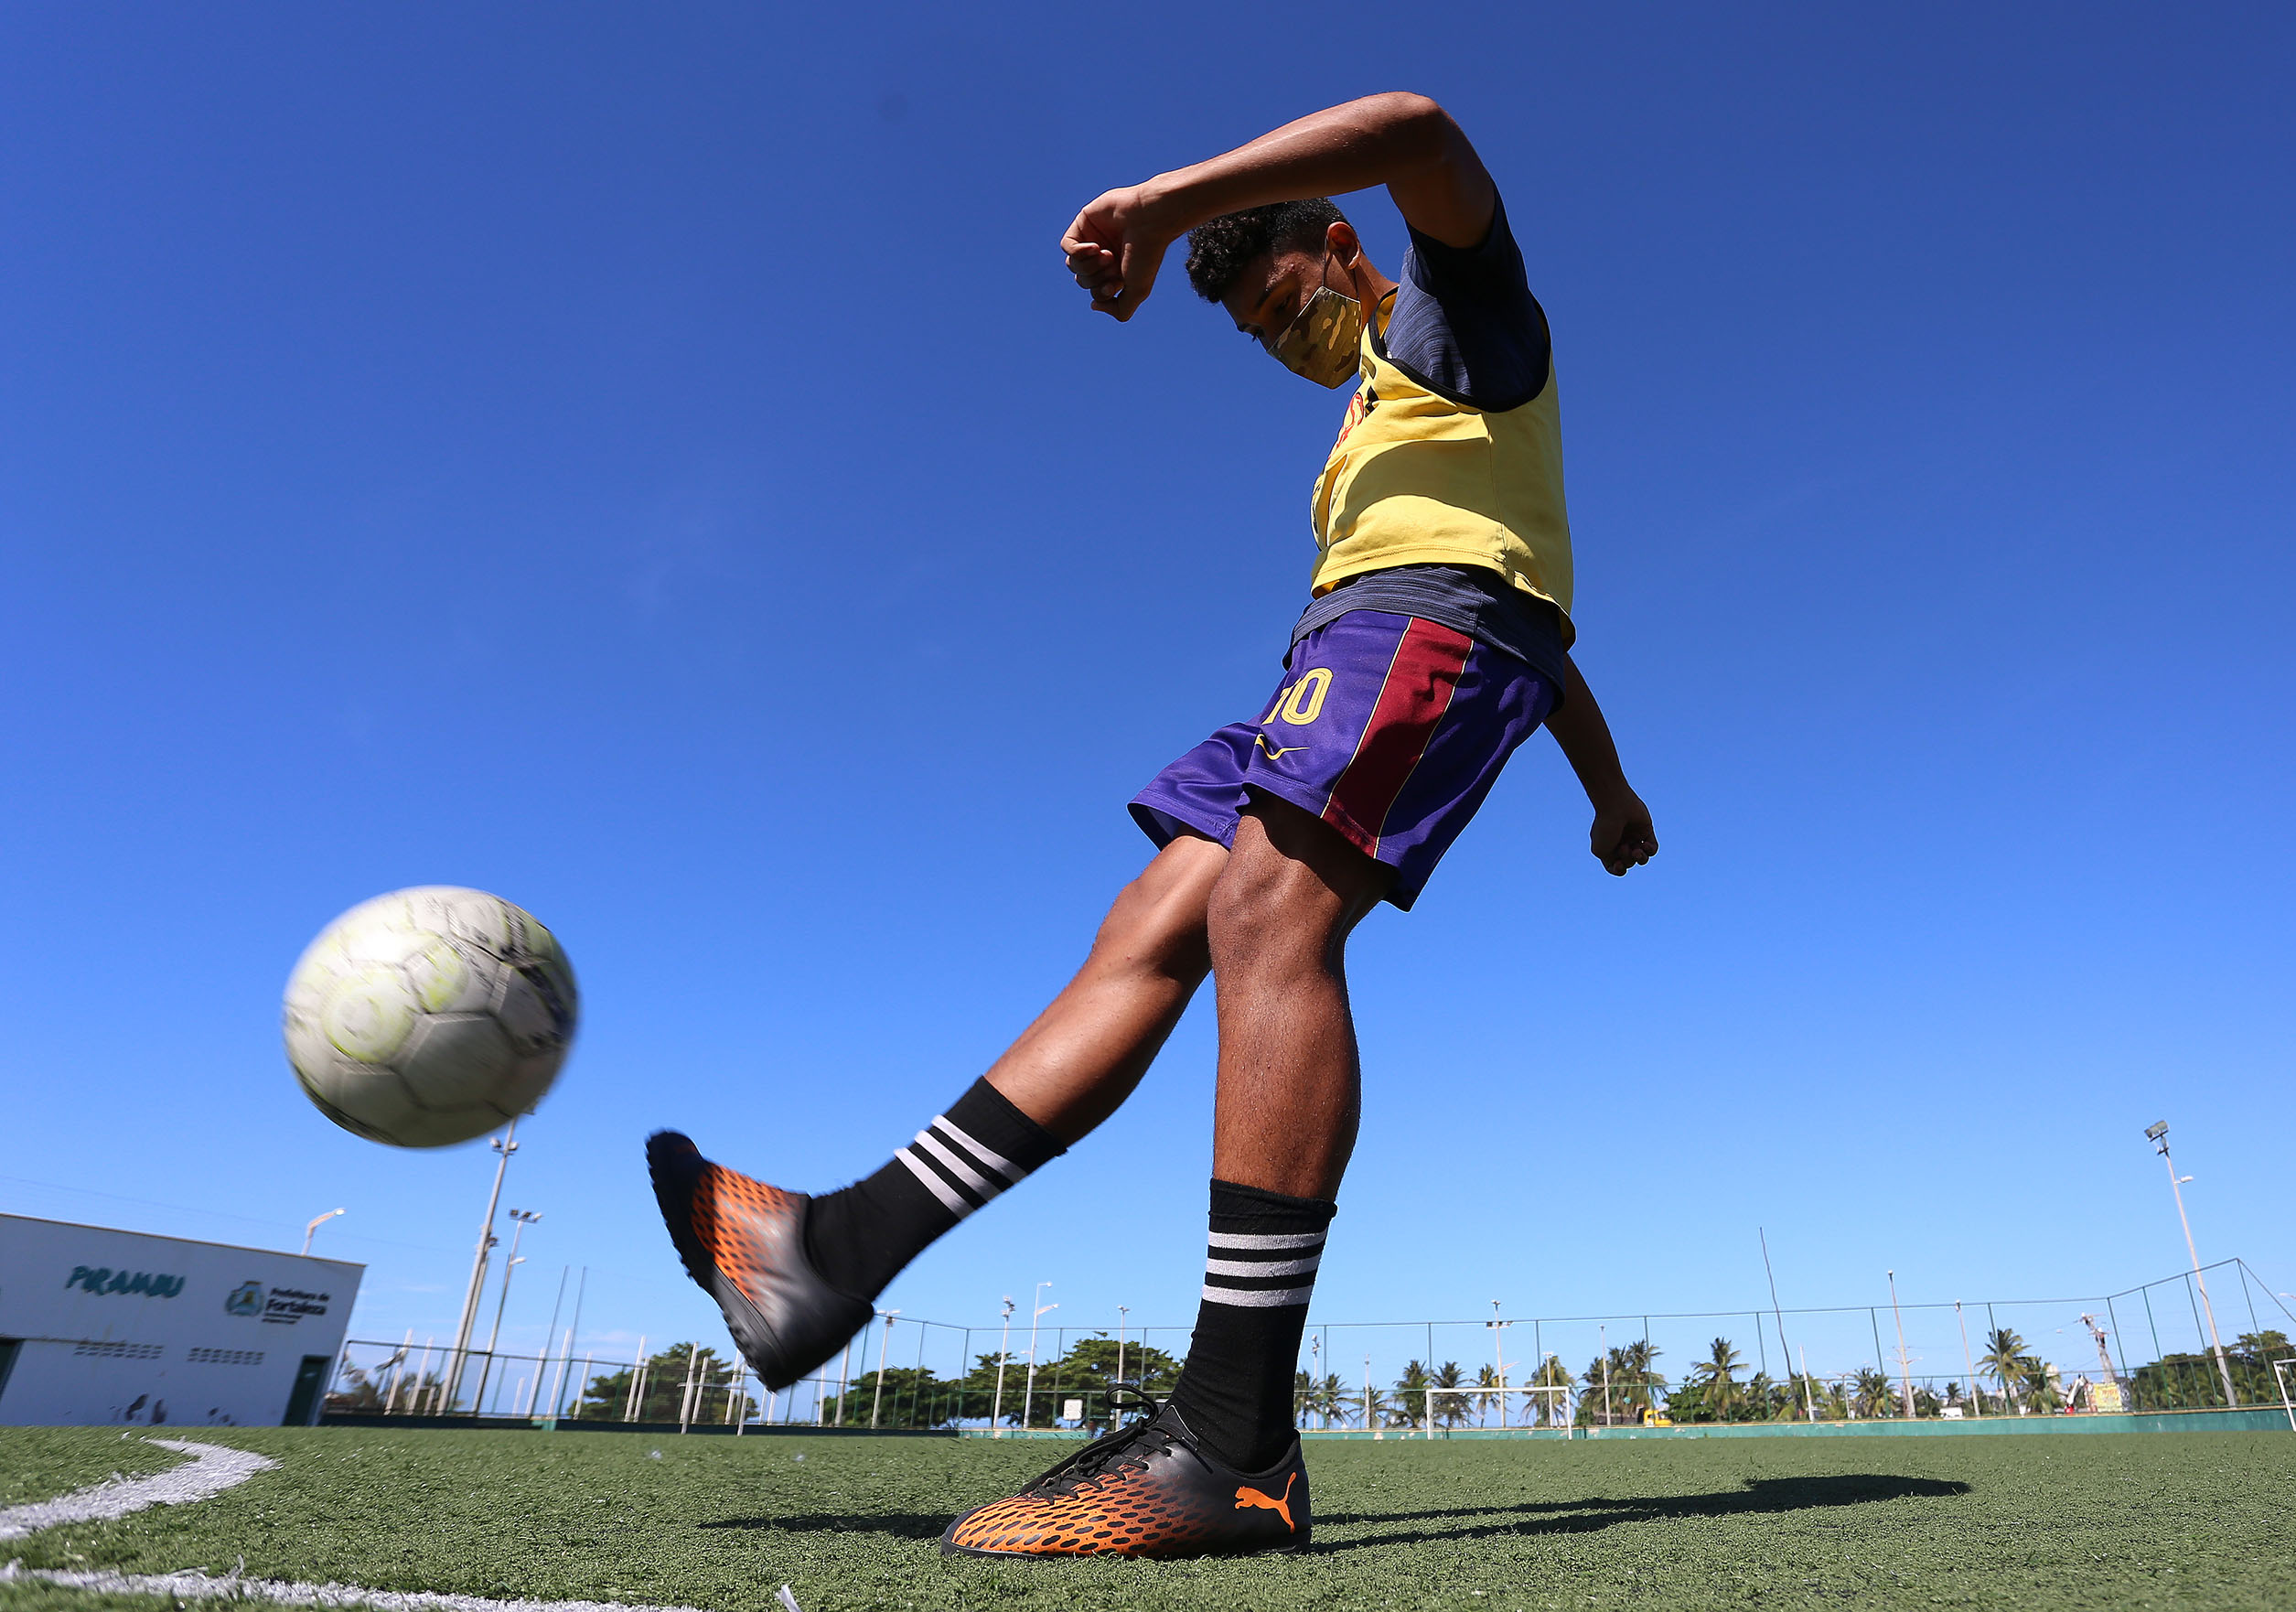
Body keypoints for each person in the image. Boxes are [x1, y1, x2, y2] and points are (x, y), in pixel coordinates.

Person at [645, 91, 1653, 1561]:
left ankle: (1234, 1435)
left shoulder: (1456, 327)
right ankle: (827, 1255)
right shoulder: (1369, 426)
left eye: (1278, 298)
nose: (1273, 337)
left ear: (1340, 242)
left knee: (1267, 915)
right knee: (1155, 918)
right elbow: (1547, 644)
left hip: (1421, 634)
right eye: (1249, 333)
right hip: (1343, 650)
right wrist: (1610, 793)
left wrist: (1172, 200)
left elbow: (1422, 129)